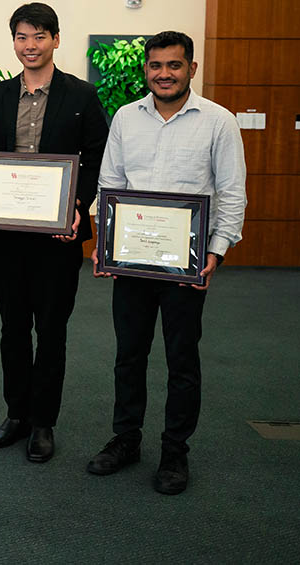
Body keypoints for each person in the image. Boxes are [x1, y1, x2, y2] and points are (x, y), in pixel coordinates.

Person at [87, 31, 246, 495]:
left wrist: (215, 252)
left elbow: (232, 194)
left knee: (182, 360)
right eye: (156, 66)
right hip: (132, 262)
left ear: (191, 69)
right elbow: (110, 184)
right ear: (146, 70)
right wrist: (105, 244)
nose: (164, 74)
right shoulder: (125, 118)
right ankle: (126, 439)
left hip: (186, 266)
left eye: (174, 65)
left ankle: (175, 449)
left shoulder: (219, 122)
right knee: (128, 356)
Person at [0, 3, 108, 462]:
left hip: (56, 237)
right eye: (22, 37)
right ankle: (16, 415)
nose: (30, 46)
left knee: (50, 331)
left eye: (39, 36)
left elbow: (96, 159)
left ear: (56, 40)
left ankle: (44, 422)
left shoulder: (82, 96)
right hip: (5, 236)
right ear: (14, 42)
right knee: (12, 328)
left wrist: (79, 208)